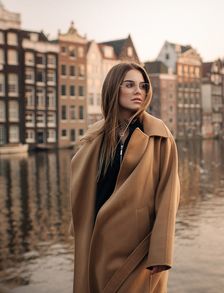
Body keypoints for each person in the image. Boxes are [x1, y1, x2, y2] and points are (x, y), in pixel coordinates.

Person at [70, 62, 180, 293]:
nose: (138, 91)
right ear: (113, 89)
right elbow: (85, 193)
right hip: (98, 246)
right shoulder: (94, 140)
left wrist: (160, 251)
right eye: (129, 85)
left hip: (138, 250)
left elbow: (169, 195)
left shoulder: (159, 135)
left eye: (142, 86)